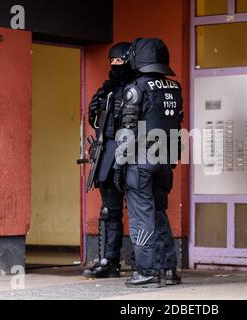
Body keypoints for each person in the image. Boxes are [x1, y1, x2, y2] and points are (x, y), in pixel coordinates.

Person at [113, 38, 183, 288]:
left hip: (140, 162)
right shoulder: (174, 88)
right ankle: (169, 269)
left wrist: (119, 166)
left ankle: (146, 271)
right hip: (164, 160)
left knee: (141, 216)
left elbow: (127, 132)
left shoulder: (136, 88)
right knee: (159, 213)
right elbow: (177, 126)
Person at [82, 42, 135, 279]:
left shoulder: (138, 88)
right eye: (112, 62)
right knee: (109, 210)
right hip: (108, 151)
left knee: (138, 208)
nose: (115, 66)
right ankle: (109, 261)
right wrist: (95, 112)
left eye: (119, 62)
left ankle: (141, 260)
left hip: (133, 150)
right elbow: (98, 126)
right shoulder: (106, 90)